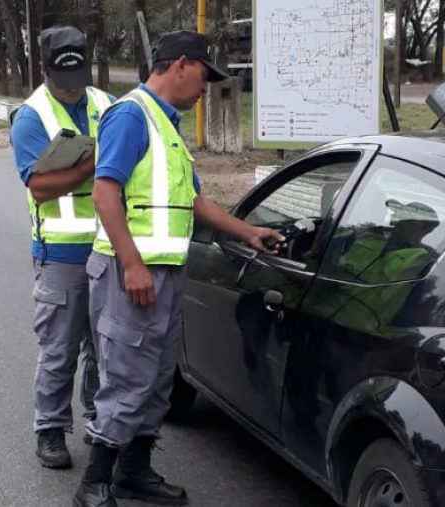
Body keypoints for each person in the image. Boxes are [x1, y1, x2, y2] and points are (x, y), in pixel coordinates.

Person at [72, 31, 284, 507]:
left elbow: (193, 201)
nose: (206, 87)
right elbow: (106, 194)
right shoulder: (131, 116)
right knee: (127, 375)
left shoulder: (167, 126)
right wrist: (132, 264)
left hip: (164, 273)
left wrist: (247, 232)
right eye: (205, 76)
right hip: (132, 273)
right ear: (181, 65)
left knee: (157, 376)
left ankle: (135, 471)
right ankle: (95, 482)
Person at [10, 25, 116, 470]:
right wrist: (95, 165)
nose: (72, 84)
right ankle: (50, 429)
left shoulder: (107, 104)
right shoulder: (32, 115)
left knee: (103, 348)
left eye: (78, 72)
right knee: (59, 349)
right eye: (62, 74)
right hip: (59, 255)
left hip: (107, 249)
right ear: (44, 68)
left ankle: (97, 421)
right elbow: (40, 187)